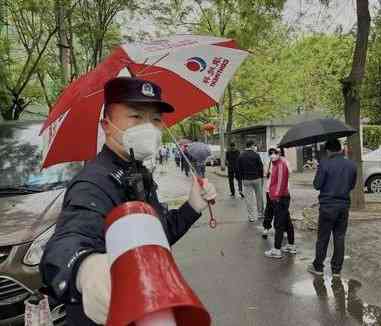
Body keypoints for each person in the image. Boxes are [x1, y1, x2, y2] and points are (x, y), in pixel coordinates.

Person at [39, 77, 217, 326]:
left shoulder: (139, 172)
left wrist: (192, 206)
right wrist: (85, 268)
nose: (150, 127)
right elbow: (66, 243)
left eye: (156, 119)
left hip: (149, 307)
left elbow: (157, 237)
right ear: (107, 125)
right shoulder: (93, 183)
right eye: (136, 116)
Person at [308, 138, 357, 277]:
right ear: (340, 149)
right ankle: (336, 269)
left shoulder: (324, 164)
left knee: (323, 237)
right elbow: (352, 185)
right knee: (339, 237)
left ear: (328, 150)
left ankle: (318, 266)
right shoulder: (351, 165)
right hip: (343, 206)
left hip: (327, 206)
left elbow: (317, 185)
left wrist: (319, 170)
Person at [264, 147, 296, 259]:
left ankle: (277, 250)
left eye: (275, 153)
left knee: (279, 223)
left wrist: (276, 196)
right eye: (271, 153)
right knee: (286, 221)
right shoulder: (275, 164)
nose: (272, 155)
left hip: (280, 198)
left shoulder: (281, 164)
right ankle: (291, 245)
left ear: (280, 153)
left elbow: (281, 183)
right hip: (279, 197)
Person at [237, 140, 264, 222]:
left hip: (246, 180)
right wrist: (261, 177)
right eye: (254, 145)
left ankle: (251, 216)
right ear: (252, 146)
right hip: (256, 179)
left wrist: (241, 179)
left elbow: (239, 169)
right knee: (259, 197)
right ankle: (260, 214)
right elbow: (260, 167)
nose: (255, 147)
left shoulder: (241, 156)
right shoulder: (256, 155)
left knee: (249, 199)